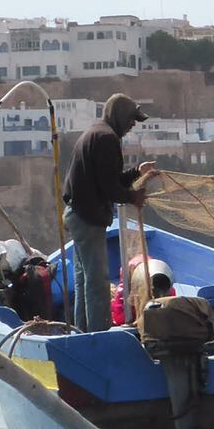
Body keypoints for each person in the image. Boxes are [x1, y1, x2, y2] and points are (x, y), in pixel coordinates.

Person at [61, 93, 158, 332]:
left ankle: (82, 333)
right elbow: (110, 188)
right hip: (87, 219)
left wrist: (137, 171)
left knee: (84, 280)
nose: (132, 125)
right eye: (131, 119)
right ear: (120, 116)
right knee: (97, 282)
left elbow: (109, 180)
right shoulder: (107, 139)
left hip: (77, 214)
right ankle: (98, 335)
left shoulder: (96, 133)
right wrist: (133, 197)